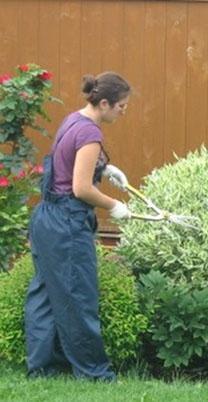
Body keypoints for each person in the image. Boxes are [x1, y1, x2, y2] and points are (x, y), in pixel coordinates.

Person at [24, 71, 132, 381]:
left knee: (44, 294)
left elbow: (64, 162)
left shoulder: (74, 119)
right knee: (79, 296)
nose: (124, 112)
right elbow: (81, 188)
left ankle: (41, 369)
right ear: (104, 103)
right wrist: (114, 206)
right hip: (67, 225)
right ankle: (94, 373)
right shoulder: (90, 135)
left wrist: (105, 167)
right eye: (121, 106)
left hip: (46, 219)